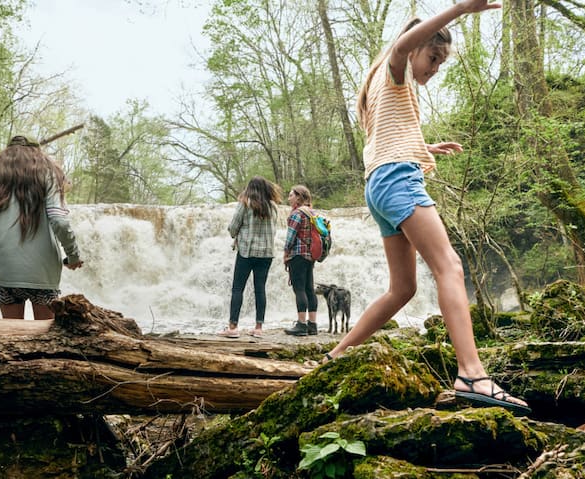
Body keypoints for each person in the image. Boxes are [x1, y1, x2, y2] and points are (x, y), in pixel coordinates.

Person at [323, 1, 531, 415]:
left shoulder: (380, 84)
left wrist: (424, 148)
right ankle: (472, 373)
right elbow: (404, 43)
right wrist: (461, 10)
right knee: (449, 267)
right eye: (433, 57)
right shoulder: (396, 62)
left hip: (379, 184)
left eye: (440, 63)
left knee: (403, 289)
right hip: (398, 180)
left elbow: (383, 139)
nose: (434, 68)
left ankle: (336, 356)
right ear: (417, 46)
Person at [0, 135, 83, 320]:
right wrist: (72, 256)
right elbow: (59, 220)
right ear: (38, 153)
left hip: (3, 270)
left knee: (14, 340)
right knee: (45, 341)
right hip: (42, 271)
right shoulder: (49, 174)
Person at [218, 176, 282, 338]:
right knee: (260, 289)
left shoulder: (245, 203)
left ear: (250, 188)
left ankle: (233, 328)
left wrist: (237, 234)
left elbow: (233, 228)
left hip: (246, 252)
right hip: (266, 253)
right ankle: (259, 328)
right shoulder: (273, 206)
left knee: (238, 288)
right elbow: (274, 230)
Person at [283, 185, 320, 336]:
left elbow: (290, 237)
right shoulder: (312, 212)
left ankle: (301, 324)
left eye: (291, 195)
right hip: (310, 255)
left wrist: (285, 254)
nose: (289, 198)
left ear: (298, 197)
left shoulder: (297, 214)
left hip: (297, 255)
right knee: (309, 289)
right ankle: (312, 324)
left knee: (299, 289)